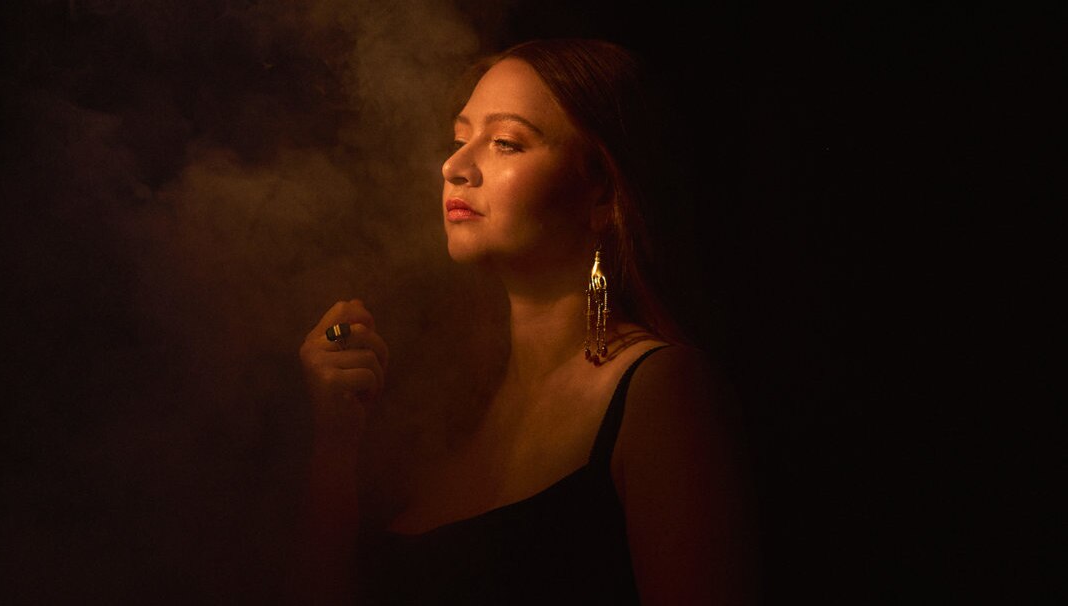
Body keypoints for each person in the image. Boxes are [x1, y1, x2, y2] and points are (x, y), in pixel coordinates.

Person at [294, 38, 753, 605]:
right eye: (460, 139)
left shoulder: (661, 393)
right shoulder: (446, 408)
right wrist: (334, 446)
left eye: (506, 143)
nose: (454, 166)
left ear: (604, 192)